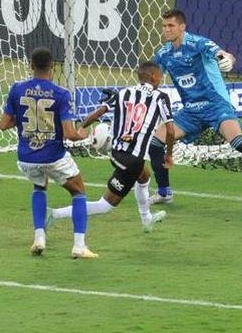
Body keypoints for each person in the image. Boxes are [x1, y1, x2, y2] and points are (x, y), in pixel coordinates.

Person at [150, 7, 242, 206]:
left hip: (215, 104)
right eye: (164, 26)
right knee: (156, 143)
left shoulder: (198, 43)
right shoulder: (164, 54)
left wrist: (227, 60)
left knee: (237, 140)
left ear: (182, 27)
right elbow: (151, 78)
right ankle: (164, 193)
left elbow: (222, 54)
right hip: (190, 111)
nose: (167, 30)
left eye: (171, 25)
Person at [47, 61, 172, 232]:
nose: (161, 79)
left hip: (120, 153)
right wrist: (169, 155)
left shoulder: (123, 92)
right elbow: (170, 131)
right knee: (106, 205)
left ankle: (146, 219)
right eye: (160, 76)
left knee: (144, 176)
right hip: (131, 160)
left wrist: (82, 127)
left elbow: (98, 113)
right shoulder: (160, 97)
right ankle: (54, 214)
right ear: (154, 76)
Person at [0, 47, 97, 259]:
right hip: (53, 156)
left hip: (26, 158)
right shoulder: (61, 94)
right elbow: (70, 134)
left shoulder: (17, 89)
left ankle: (39, 238)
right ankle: (79, 245)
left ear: (31, 66)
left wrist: (25, 118)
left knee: (39, 186)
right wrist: (83, 135)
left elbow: (3, 124)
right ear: (52, 67)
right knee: (78, 191)